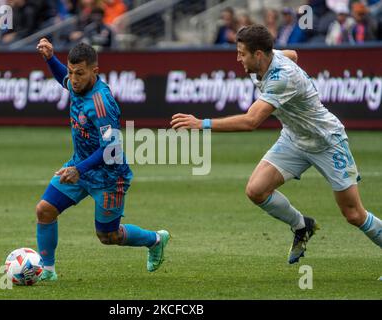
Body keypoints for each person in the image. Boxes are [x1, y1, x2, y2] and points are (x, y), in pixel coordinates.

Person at [171, 24, 382, 264]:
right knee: (256, 190)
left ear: (258, 54)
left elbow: (251, 121)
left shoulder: (281, 78)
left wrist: (202, 124)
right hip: (294, 138)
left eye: (241, 53)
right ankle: (302, 226)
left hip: (326, 141)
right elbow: (292, 53)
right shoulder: (269, 58)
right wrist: (283, 57)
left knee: (354, 214)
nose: (237, 58)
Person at [35, 38, 170, 280]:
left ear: (94, 72)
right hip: (80, 166)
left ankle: (156, 239)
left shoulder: (102, 104)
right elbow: (62, 79)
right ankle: (47, 270)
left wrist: (79, 169)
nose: (73, 79)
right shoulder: (77, 84)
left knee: (109, 237)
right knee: (45, 210)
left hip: (109, 177)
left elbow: (113, 148)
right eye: (71, 72)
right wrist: (50, 59)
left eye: (79, 73)